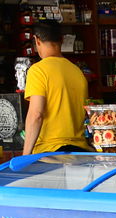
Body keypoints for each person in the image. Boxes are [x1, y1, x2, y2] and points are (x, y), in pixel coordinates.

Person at [22, 20, 94, 155]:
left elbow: (36, 114)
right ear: (62, 40)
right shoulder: (77, 72)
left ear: (36, 40)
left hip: (50, 152)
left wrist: (25, 155)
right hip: (79, 151)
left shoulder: (38, 70)